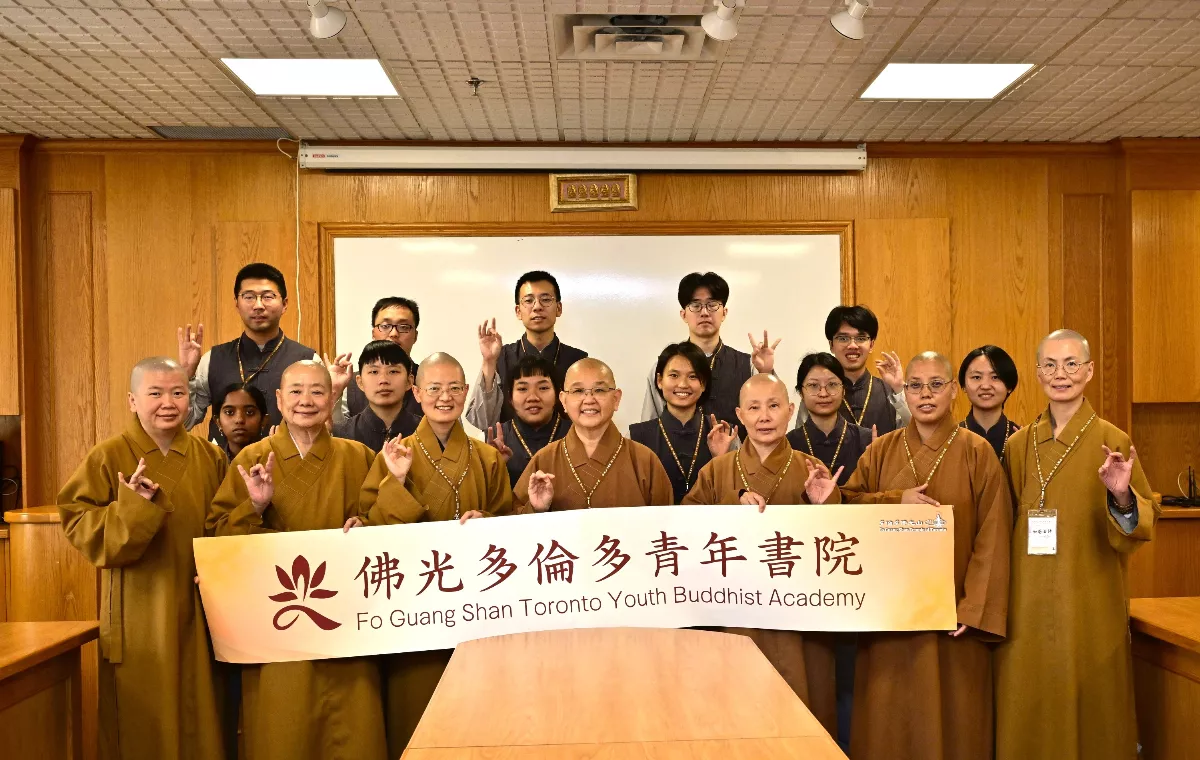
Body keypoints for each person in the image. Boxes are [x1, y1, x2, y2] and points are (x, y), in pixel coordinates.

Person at [207, 360, 386, 760]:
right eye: (296, 391)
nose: (306, 401)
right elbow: (218, 536)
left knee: (350, 725)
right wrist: (253, 505)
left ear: (332, 398)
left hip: (345, 622)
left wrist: (367, 525)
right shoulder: (251, 458)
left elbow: (384, 528)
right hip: (276, 623)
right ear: (279, 400)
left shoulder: (358, 456)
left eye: (317, 391)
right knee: (281, 728)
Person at [840, 351, 1013, 760]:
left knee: (955, 720)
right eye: (915, 385)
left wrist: (973, 608)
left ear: (954, 390)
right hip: (890, 617)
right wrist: (895, 500)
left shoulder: (978, 452)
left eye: (936, 384)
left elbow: (994, 533)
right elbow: (845, 506)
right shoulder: (881, 450)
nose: (925, 394)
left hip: (952, 618)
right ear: (905, 391)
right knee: (889, 718)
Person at [994, 329, 1156, 760]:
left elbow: (1141, 521)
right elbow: (999, 528)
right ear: (1036, 373)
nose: (1059, 374)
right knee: (1027, 700)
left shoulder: (1113, 441)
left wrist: (1122, 495)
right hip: (1026, 605)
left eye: (1070, 364)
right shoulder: (1017, 444)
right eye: (1050, 364)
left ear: (1087, 372)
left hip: (1089, 602)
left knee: (1093, 708)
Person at [58, 357, 226, 760]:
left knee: (202, 712)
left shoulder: (210, 456)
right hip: (137, 609)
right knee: (140, 721)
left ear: (191, 399)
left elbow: (227, 524)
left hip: (201, 607)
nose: (167, 402)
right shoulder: (109, 456)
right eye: (155, 393)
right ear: (133, 401)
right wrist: (132, 507)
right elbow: (79, 524)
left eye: (178, 392)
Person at [352, 352, 512, 758]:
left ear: (465, 392)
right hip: (415, 614)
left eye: (455, 387)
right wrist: (398, 480)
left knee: (480, 714)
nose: (445, 397)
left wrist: (489, 519)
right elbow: (374, 531)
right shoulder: (394, 454)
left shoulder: (488, 457)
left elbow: (511, 529)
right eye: (435, 388)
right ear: (417, 392)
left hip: (477, 611)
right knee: (416, 712)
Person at [681, 373, 842, 735]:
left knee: (803, 718)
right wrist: (729, 504)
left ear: (790, 410)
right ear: (739, 414)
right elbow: (684, 533)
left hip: (801, 623)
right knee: (739, 715)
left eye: (773, 406)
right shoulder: (717, 470)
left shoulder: (811, 468)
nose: (764, 416)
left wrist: (824, 502)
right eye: (754, 407)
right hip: (736, 619)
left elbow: (840, 546)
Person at [178, 262, 352, 439]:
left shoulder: (308, 361)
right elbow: (184, 424)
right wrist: (185, 373)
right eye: (249, 297)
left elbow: (332, 431)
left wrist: (335, 393)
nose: (258, 305)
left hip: (288, 464)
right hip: (225, 465)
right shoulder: (212, 359)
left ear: (284, 304)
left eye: (268, 297)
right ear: (237, 304)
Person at [515, 358, 673, 511]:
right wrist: (536, 508)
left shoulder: (644, 460)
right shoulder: (544, 460)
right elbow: (512, 521)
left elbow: (668, 524)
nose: (589, 399)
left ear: (616, 398)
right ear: (563, 401)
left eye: (599, 390)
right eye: (578, 391)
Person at [640, 271, 778, 432]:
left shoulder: (749, 365)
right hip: (675, 455)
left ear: (724, 313)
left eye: (712, 304)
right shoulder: (665, 366)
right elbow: (650, 425)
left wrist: (765, 372)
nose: (704, 312)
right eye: (695, 305)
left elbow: (771, 415)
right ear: (684, 314)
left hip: (737, 455)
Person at [466, 270, 587, 430]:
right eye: (529, 301)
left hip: (564, 452)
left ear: (558, 308)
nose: (537, 307)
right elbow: (482, 422)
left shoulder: (578, 361)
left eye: (545, 299)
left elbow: (587, 417)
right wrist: (488, 362)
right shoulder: (500, 357)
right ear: (518, 311)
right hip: (509, 453)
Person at [629, 342, 739, 503]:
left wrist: (721, 460)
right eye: (674, 375)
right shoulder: (636, 437)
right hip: (655, 526)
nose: (682, 384)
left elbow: (738, 493)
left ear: (703, 384)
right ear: (659, 380)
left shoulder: (724, 433)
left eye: (693, 376)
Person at [818, 305, 908, 435]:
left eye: (860, 338)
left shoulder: (890, 392)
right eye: (843, 338)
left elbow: (916, 434)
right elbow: (802, 442)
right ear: (831, 345)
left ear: (871, 345)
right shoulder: (818, 392)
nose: (852, 345)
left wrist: (899, 389)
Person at [786, 352, 873, 486]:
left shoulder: (866, 440)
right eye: (813, 386)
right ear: (801, 393)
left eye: (832, 385)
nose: (823, 393)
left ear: (843, 390)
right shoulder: (787, 444)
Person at [483, 355, 571, 486]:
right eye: (522, 389)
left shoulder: (577, 434)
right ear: (510, 397)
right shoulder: (489, 440)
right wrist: (492, 469)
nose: (533, 397)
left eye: (543, 388)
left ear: (558, 394)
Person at [332, 340, 420, 453]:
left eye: (393, 371)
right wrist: (333, 390)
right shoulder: (341, 433)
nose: (383, 380)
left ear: (409, 381)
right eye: (374, 372)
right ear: (360, 382)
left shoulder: (425, 431)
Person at [344, 296, 423, 420]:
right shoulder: (349, 385)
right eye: (385, 326)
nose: (393, 334)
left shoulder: (429, 381)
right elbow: (334, 435)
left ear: (415, 336)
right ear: (373, 333)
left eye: (403, 327)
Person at [958, 344, 1021, 462]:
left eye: (995, 377)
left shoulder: (1021, 438)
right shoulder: (950, 439)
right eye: (976, 377)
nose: (986, 386)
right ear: (963, 385)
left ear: (1009, 386)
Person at [214, 383, 268, 460]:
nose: (239, 419)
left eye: (249, 412)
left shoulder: (277, 462)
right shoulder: (213, 465)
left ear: (263, 420)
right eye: (229, 412)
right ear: (218, 422)